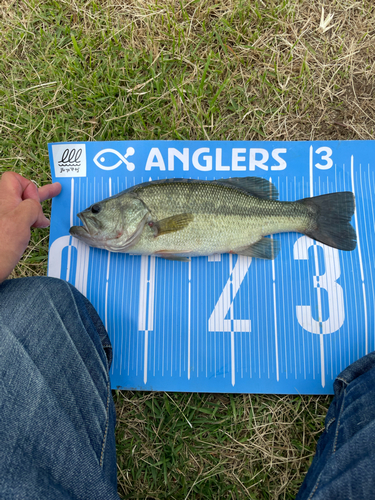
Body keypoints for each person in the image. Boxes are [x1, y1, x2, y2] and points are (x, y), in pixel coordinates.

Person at [1, 171, 375, 499]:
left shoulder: (147, 217)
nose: (89, 216)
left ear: (135, 214)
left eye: (98, 210)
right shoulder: (142, 219)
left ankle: (309, 215)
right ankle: (308, 215)